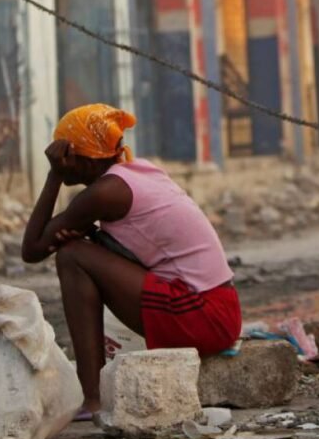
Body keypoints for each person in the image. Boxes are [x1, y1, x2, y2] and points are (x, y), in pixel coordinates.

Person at [21, 104, 241, 420]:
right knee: (81, 248)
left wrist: (54, 176)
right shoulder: (137, 173)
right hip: (222, 312)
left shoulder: (106, 192)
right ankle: (92, 393)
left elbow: (31, 250)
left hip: (202, 315)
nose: (61, 161)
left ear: (82, 159)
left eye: (65, 154)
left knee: (71, 256)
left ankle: (91, 398)